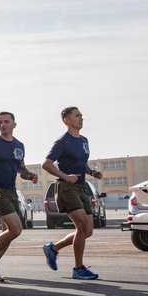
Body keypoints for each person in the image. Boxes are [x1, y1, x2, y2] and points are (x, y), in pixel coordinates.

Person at [0, 112, 40, 282]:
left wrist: (29, 175)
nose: (3, 124)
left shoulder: (19, 146)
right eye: (0, 122)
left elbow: (21, 169)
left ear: (14, 125)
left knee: (7, 232)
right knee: (16, 229)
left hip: (11, 191)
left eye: (6, 122)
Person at [41, 107, 104, 280]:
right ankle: (78, 268)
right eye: (77, 116)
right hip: (66, 188)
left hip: (82, 186)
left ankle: (53, 249)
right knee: (82, 227)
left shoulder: (83, 140)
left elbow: (81, 162)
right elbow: (46, 164)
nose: (81, 118)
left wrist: (92, 173)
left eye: (81, 115)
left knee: (88, 230)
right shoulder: (62, 141)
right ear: (66, 121)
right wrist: (65, 176)